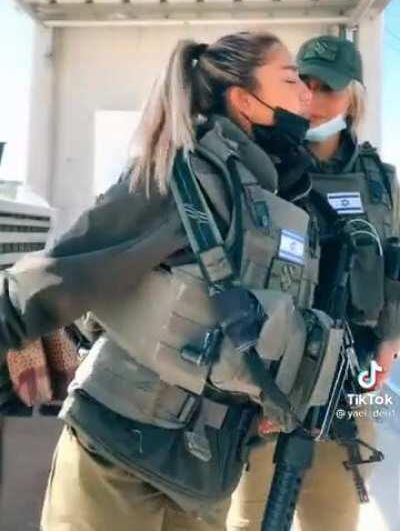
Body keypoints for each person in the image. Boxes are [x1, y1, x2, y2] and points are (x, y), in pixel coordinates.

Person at [0, 30, 337, 531]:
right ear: (245, 100)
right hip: (116, 457)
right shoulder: (182, 178)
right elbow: (59, 273)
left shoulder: (279, 201)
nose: (307, 94)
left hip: (205, 474)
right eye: (290, 80)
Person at [227, 34, 400, 531]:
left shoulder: (379, 179)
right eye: (305, 82)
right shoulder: (260, 165)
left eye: (330, 88)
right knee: (253, 517)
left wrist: (390, 338)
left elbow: (394, 261)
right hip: (269, 377)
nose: (315, 97)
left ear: (354, 98)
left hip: (349, 375)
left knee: (334, 516)